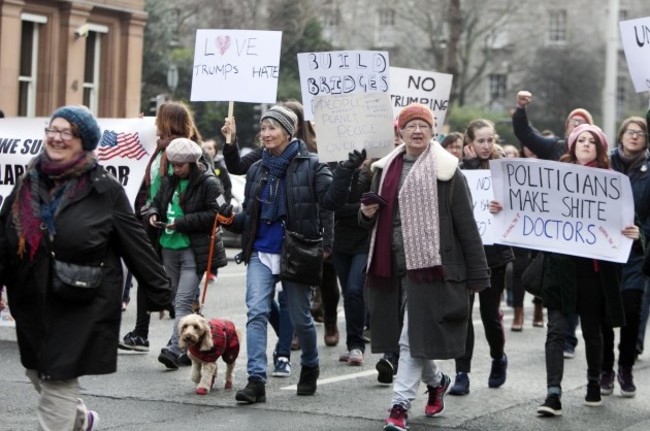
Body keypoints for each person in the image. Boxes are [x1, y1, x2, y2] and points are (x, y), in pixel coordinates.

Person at [0, 106, 172, 430]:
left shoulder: (104, 188)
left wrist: (163, 292)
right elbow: (4, 234)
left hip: (80, 301)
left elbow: (134, 242)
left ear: (85, 141)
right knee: (38, 371)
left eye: (67, 132)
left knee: (57, 380)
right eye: (53, 129)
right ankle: (80, 419)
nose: (56, 137)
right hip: (32, 300)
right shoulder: (27, 181)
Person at [218, 105, 365, 403]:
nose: (266, 134)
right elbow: (251, 212)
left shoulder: (312, 165)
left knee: (300, 317)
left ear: (289, 131)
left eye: (272, 128)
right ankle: (256, 379)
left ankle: (310, 365)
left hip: (296, 250)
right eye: (263, 128)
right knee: (256, 312)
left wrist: (347, 171)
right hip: (260, 250)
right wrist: (232, 218)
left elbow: (331, 201)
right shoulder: (258, 167)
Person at [490, 123, 639, 416]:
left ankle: (594, 383)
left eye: (591, 141)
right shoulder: (555, 178)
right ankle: (553, 394)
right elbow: (530, 207)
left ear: (600, 148)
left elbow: (622, 224)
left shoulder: (612, 182)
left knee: (593, 332)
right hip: (559, 269)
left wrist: (633, 233)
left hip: (593, 271)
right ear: (572, 146)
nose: (585, 144)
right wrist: (501, 208)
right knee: (555, 330)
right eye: (580, 140)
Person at [360, 103, 490, 430]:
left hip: (432, 269)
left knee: (408, 339)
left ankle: (399, 407)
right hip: (392, 267)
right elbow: (368, 221)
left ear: (434, 132)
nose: (417, 131)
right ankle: (436, 382)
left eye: (424, 126)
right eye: (410, 126)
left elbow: (467, 226)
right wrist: (366, 214)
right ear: (399, 132)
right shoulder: (383, 169)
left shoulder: (447, 171)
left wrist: (477, 274)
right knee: (412, 337)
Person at [512, 90, 592, 358]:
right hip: (558, 230)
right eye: (573, 122)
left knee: (579, 284)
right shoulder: (554, 147)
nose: (577, 126)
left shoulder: (600, 157)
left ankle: (568, 336)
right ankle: (560, 335)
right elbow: (526, 134)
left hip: (586, 232)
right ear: (566, 128)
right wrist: (521, 110)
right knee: (560, 282)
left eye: (583, 123)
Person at [119, 101, 202, 353]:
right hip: (153, 222)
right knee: (148, 276)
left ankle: (181, 336)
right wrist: (138, 127)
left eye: (159, 119)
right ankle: (142, 333)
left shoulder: (183, 151)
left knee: (178, 287)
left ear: (170, 121)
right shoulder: (160, 146)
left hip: (176, 226)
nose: (155, 123)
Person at [144, 137, 228, 369]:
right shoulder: (169, 180)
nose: (175, 168)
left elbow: (218, 212)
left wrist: (182, 223)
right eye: (173, 164)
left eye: (180, 165)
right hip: (168, 247)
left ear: (192, 163)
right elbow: (156, 202)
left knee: (181, 301)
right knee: (178, 298)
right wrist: (153, 213)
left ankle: (174, 348)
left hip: (193, 249)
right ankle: (196, 340)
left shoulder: (210, 182)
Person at [447, 119, 513, 397]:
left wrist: (504, 206)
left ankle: (499, 358)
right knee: (463, 314)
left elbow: (520, 207)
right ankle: (462, 372)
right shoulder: (457, 170)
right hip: (465, 254)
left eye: (490, 140)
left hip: (494, 255)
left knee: (489, 316)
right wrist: (472, 167)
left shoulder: (506, 169)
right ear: (469, 144)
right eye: (480, 141)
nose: (486, 146)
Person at [602, 114, 649, 397]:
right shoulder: (603, 163)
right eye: (630, 132)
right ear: (620, 136)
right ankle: (605, 368)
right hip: (605, 251)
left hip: (635, 254)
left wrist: (641, 231)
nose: (634, 136)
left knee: (631, 312)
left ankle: (625, 367)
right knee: (605, 314)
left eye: (640, 133)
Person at [332, 158, 372, 366]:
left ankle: (357, 345)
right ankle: (352, 345)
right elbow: (333, 208)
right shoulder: (337, 172)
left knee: (356, 289)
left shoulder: (374, 171)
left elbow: (376, 205)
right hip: (340, 243)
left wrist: (360, 209)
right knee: (348, 293)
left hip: (364, 241)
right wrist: (359, 208)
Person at [201, 138, 232, 203]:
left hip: (218, 200)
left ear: (215, 150)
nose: (207, 151)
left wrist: (224, 205)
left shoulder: (220, 168)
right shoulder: (199, 166)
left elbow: (227, 187)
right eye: (205, 148)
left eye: (210, 148)